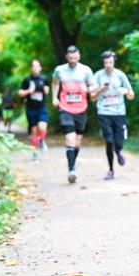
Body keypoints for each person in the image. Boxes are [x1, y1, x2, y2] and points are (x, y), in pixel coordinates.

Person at [52, 46, 104, 183]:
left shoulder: (86, 70)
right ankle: (71, 169)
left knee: (77, 142)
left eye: (75, 58)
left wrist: (86, 89)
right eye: (70, 59)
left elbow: (93, 87)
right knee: (70, 139)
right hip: (65, 108)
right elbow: (55, 82)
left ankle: (72, 165)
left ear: (79, 56)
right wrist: (54, 97)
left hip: (81, 109)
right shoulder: (60, 70)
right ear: (66, 57)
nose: (73, 61)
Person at [92, 50, 134, 180]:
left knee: (118, 142)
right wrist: (101, 89)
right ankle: (111, 170)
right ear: (103, 63)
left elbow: (132, 95)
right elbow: (92, 97)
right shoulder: (98, 76)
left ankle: (119, 151)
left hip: (119, 113)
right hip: (104, 112)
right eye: (106, 63)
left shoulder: (120, 75)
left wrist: (126, 91)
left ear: (114, 61)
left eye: (110, 62)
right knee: (109, 141)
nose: (108, 65)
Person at [19, 60, 50, 157]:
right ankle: (35, 153)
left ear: (40, 68)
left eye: (37, 66)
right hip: (31, 109)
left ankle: (42, 140)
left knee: (42, 127)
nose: (35, 68)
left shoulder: (44, 79)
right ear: (31, 68)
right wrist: (28, 91)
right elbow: (20, 93)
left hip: (42, 108)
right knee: (34, 132)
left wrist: (46, 90)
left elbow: (47, 90)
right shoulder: (27, 80)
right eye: (33, 66)